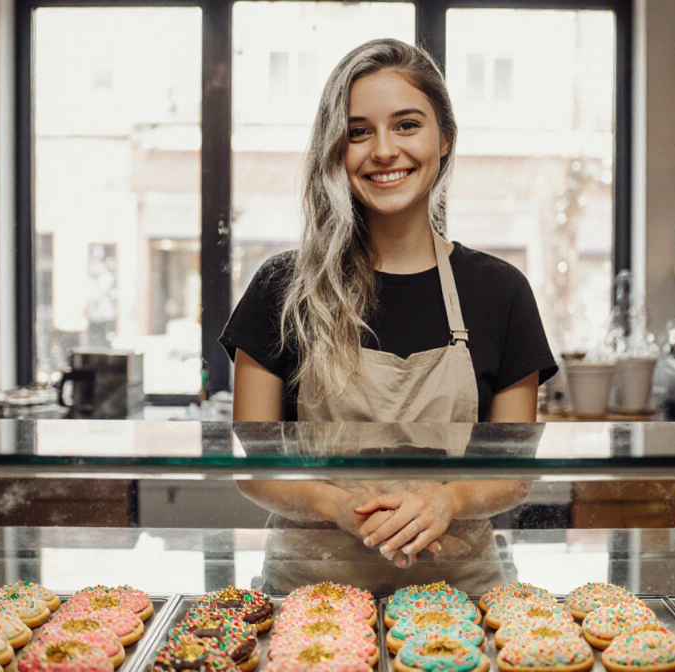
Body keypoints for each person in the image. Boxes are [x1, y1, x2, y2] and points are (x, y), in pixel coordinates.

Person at [220, 39, 557, 593]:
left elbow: (512, 474)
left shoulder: (502, 291)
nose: (383, 150)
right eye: (358, 131)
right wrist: (340, 505)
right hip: (311, 598)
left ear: (444, 139)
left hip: (460, 597)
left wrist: (446, 500)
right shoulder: (282, 288)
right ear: (336, 147)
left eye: (406, 125)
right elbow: (258, 470)